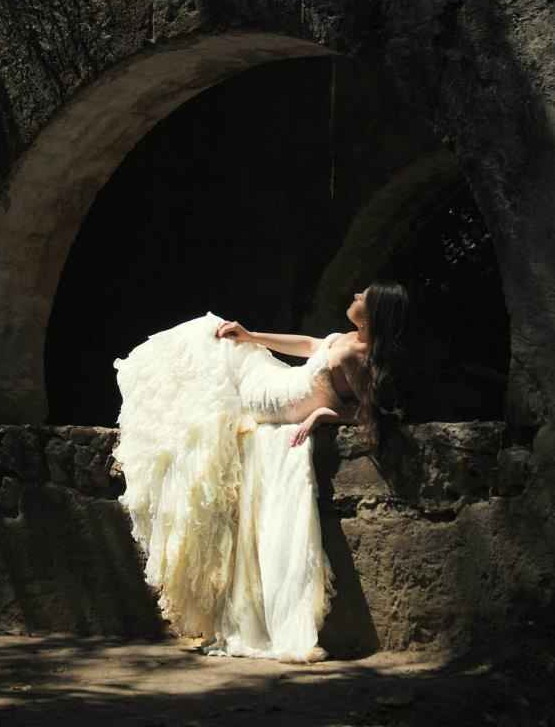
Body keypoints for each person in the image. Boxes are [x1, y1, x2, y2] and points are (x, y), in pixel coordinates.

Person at [112, 281, 409, 663]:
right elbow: (307, 346)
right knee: (213, 331)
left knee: (204, 357)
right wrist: (253, 336)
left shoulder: (356, 355)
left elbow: (368, 413)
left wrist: (322, 413)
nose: (354, 297)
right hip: (278, 379)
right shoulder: (348, 339)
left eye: (362, 297)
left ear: (373, 313)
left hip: (275, 402)